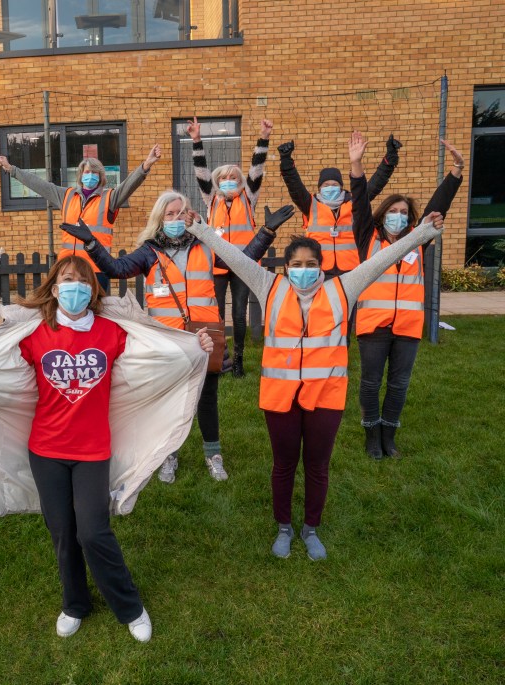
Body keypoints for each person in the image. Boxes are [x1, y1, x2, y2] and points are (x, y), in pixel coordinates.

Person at [0, 255, 215, 642]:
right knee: (62, 532)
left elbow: (158, 352)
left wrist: (193, 346)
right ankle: (75, 603)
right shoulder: (34, 334)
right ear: (54, 288)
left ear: (93, 291)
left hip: (92, 450)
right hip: (46, 449)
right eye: (68, 279)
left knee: (93, 531)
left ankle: (130, 607)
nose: (75, 287)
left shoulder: (110, 332)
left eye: (83, 281)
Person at [183, 203, 445, 560]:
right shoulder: (268, 286)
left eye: (310, 264)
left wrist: (422, 233)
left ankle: (310, 529)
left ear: (320, 267)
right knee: (284, 464)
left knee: (318, 466)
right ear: (286, 267)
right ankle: (284, 527)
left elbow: (382, 260)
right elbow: (233, 257)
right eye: (296, 265)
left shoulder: (343, 289)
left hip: (326, 396)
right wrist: (200, 229)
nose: (303, 271)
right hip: (280, 398)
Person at [63, 189, 290, 482]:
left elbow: (242, 261)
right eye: (170, 214)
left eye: (181, 213)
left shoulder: (205, 245)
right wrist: (92, 243)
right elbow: (116, 269)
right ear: (160, 218)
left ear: (190, 216)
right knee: (171, 398)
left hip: (204, 335)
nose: (176, 218)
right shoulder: (149, 251)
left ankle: (213, 454)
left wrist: (267, 231)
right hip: (167, 338)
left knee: (207, 398)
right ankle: (169, 454)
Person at [351, 138, 465, 458]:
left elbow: (437, 207)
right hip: (374, 327)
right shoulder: (367, 238)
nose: (398, 216)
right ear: (383, 214)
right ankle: (372, 435)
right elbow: (359, 202)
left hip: (408, 328)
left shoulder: (418, 241)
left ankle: (390, 434)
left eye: (404, 212)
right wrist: (357, 165)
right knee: (372, 383)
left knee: (399, 385)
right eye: (393, 211)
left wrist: (456, 171)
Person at [0, 144, 162, 290]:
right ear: (81, 175)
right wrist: (12, 170)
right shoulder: (66, 195)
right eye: (87, 171)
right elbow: (39, 185)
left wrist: (146, 165)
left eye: (95, 172)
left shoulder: (110, 198)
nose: (90, 175)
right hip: (67, 268)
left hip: (96, 269)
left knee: (96, 314)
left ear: (101, 176)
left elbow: (129, 185)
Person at [186, 116, 274, 377]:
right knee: (215, 313)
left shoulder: (249, 197)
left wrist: (264, 138)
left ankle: (237, 359)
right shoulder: (211, 199)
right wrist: (196, 140)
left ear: (240, 182)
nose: (228, 180)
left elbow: (257, 169)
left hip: (243, 264)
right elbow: (201, 172)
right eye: (223, 177)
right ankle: (217, 357)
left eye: (233, 177)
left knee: (238, 313)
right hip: (216, 264)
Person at [278, 133, 402, 276]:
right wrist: (286, 162)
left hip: (352, 270)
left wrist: (390, 159)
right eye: (326, 185)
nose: (330, 187)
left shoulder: (355, 201)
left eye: (334, 184)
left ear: (341, 187)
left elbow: (376, 183)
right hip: (320, 270)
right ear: (320, 188)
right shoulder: (310, 203)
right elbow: (294, 186)